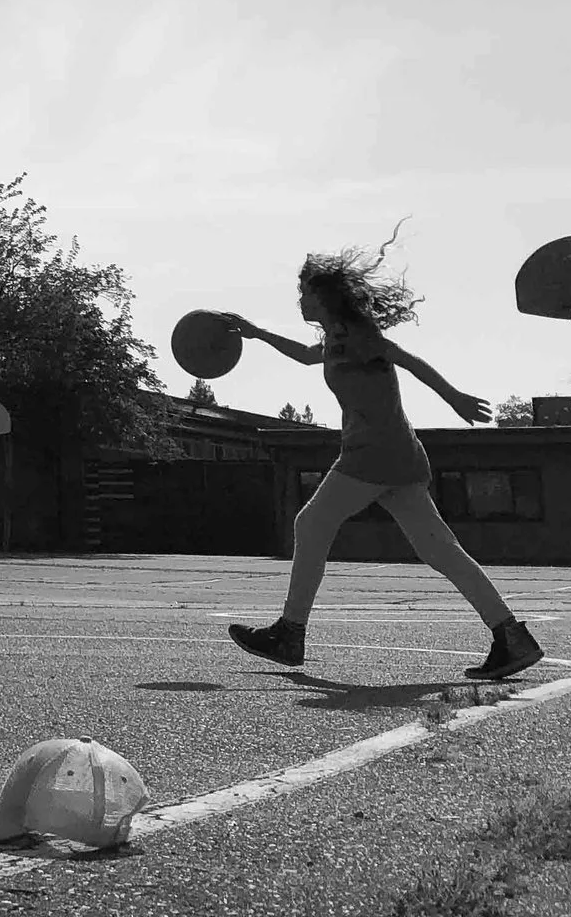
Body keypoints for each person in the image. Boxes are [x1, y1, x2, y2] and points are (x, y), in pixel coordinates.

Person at [227, 231, 544, 682]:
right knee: (440, 550)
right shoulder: (337, 339)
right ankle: (512, 636)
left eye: (304, 291)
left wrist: (453, 397)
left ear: (324, 297)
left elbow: (407, 359)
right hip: (398, 455)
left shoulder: (357, 335)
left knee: (311, 523)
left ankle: (290, 633)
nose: (299, 298)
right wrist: (255, 333)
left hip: (373, 454)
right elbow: (302, 355)